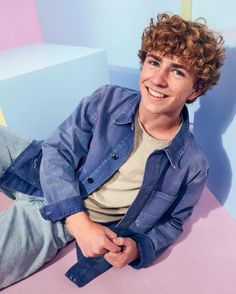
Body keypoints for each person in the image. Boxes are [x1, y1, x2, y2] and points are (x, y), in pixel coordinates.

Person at [0, 12, 225, 289]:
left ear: (195, 89)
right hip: (39, 171)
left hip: (58, 222)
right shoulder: (107, 99)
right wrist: (79, 221)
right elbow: (57, 151)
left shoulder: (192, 165)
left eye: (177, 71)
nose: (158, 79)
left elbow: (174, 222)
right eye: (154, 62)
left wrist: (139, 247)